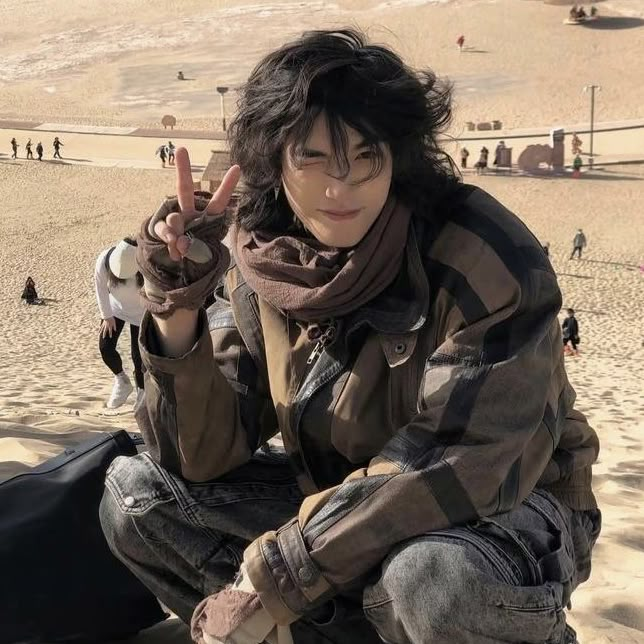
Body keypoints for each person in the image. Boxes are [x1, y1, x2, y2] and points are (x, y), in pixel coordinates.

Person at [100, 29, 600, 644]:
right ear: (273, 158)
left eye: (366, 156)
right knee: (135, 497)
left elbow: (460, 463)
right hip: (336, 506)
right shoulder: (264, 259)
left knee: (430, 577)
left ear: (400, 155)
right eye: (311, 158)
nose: (341, 188)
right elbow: (205, 456)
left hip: (504, 511)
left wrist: (273, 579)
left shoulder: (480, 256)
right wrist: (178, 305)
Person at [94, 238, 145, 409]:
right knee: (105, 347)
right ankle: (122, 381)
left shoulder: (148, 263)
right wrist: (106, 315)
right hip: (115, 310)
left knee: (139, 358)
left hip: (141, 314)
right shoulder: (105, 259)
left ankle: (142, 395)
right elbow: (100, 287)